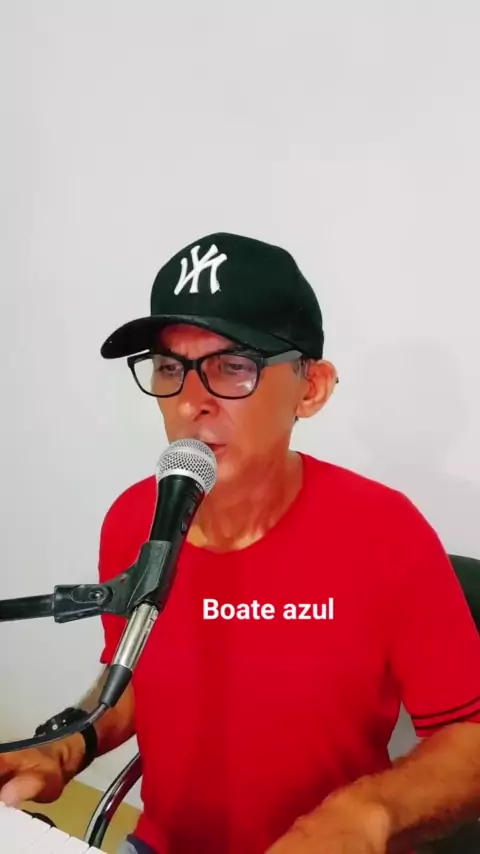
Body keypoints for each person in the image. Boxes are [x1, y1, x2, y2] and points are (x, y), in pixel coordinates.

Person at [1, 232, 480, 854]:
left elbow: (470, 734)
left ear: (311, 388)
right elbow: (136, 676)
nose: (191, 403)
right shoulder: (134, 518)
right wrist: (68, 743)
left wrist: (370, 814)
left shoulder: (388, 532)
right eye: (170, 368)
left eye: (233, 367)